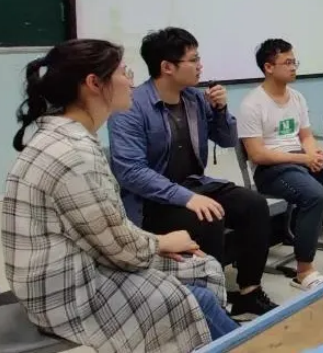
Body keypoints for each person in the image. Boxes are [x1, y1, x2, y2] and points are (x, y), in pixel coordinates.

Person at [3, 39, 238, 353]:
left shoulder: (67, 135)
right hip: (68, 292)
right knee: (196, 299)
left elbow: (106, 232)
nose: (131, 82)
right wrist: (162, 242)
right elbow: (117, 245)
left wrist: (157, 244)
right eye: (124, 73)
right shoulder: (74, 154)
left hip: (82, 264)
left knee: (203, 268)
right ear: (94, 84)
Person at [108, 28, 278, 321]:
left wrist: (221, 110)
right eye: (194, 59)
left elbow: (226, 139)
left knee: (253, 204)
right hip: (150, 202)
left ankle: (249, 293)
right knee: (208, 216)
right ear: (167, 67)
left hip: (194, 185)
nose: (200, 65)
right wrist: (185, 197)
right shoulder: (131, 107)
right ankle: (213, 307)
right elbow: (131, 172)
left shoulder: (194, 99)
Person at [238, 38, 323, 292]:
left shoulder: (297, 98)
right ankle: (303, 272)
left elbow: (306, 136)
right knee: (316, 195)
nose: (294, 67)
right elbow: (257, 155)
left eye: (295, 62)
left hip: (301, 160)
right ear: (269, 67)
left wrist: (313, 153)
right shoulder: (251, 104)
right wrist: (304, 158)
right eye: (287, 62)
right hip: (271, 170)